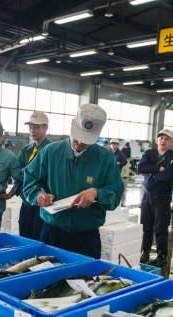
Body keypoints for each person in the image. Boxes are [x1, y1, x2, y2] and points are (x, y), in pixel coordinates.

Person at [23, 104, 124, 259]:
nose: (79, 143)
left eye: (86, 140)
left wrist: (97, 193)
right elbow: (30, 182)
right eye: (77, 136)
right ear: (71, 124)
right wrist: (38, 195)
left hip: (87, 237)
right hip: (52, 233)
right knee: (50, 279)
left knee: (85, 280)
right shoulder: (50, 152)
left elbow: (116, 194)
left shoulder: (105, 158)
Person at [137, 129, 173, 267]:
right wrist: (157, 169)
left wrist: (151, 171)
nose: (163, 140)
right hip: (147, 197)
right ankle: (145, 253)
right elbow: (139, 168)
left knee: (160, 229)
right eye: (161, 137)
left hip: (162, 198)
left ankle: (162, 258)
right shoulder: (150, 153)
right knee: (146, 226)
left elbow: (168, 176)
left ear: (172, 142)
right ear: (157, 140)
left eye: (167, 139)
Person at [14, 111, 52, 240]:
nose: (32, 130)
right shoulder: (26, 150)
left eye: (36, 127)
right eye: (30, 127)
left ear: (45, 127)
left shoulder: (52, 150)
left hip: (43, 203)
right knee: (24, 235)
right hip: (26, 201)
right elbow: (16, 172)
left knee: (39, 237)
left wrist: (26, 171)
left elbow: (48, 177)